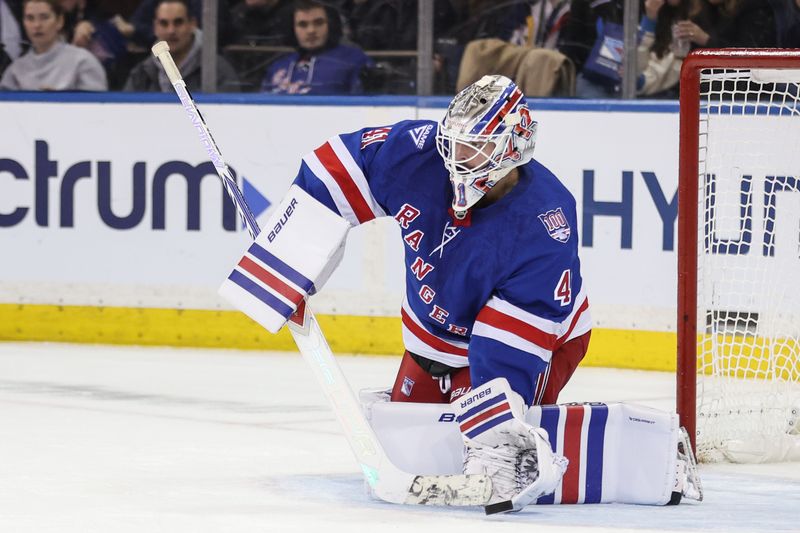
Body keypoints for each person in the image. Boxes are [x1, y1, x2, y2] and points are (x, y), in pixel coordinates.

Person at [285, 75, 591, 505]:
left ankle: (550, 447)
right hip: (434, 339)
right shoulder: (420, 152)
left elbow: (508, 344)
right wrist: (291, 248)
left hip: (532, 342)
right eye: (455, 142)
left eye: (477, 146)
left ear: (514, 146)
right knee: (408, 452)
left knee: (491, 460)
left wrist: (495, 436)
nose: (457, 157)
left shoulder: (545, 221)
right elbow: (337, 166)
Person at [123, 0, 240, 92]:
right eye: (164, 23)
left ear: (192, 24)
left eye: (178, 22)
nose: (171, 30)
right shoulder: (141, 74)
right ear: (155, 27)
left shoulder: (218, 71)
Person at [260, 0, 372, 95]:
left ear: (332, 25)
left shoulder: (353, 59)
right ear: (292, 29)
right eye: (303, 25)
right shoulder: (278, 65)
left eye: (319, 23)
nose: (311, 31)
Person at [0, 0, 106, 90]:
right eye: (30, 18)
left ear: (60, 21)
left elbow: (98, 108)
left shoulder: (82, 62)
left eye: (44, 17)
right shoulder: (15, 70)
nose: (37, 25)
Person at [636, 0, 702, 97]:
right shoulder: (639, 10)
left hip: (688, 91)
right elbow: (636, 70)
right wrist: (649, 21)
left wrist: (706, 40)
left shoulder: (699, 13)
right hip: (650, 91)